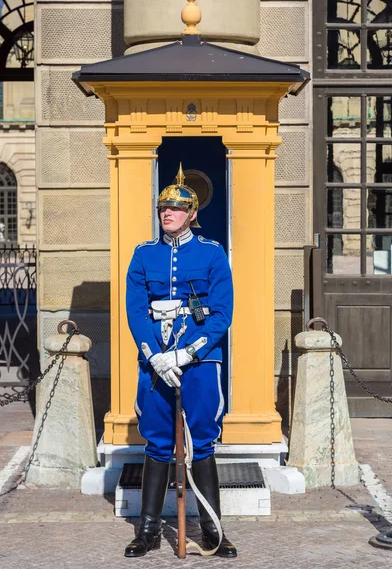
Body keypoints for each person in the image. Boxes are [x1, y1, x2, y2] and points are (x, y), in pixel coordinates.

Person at [124, 165, 237, 558]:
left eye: (174, 209)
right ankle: (149, 531)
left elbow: (221, 313)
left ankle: (212, 529)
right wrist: (155, 356)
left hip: (200, 359)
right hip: (155, 360)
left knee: (202, 442)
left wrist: (186, 353)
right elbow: (136, 311)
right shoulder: (143, 255)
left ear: (192, 214)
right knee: (156, 443)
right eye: (162, 209)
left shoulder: (212, 253)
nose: (166, 214)